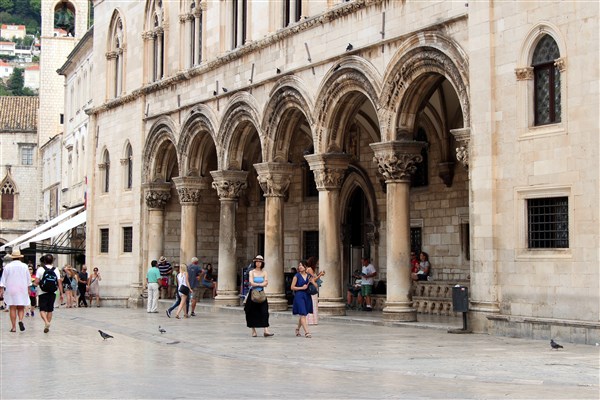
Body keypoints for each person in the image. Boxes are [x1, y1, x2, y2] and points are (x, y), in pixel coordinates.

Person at [0, 249, 31, 332]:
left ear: (12, 257)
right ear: (20, 257)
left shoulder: (7, 266)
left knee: (12, 307)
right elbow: (28, 279)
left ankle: (13, 327)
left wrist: (1, 289)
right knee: (21, 307)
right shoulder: (24, 266)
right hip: (22, 288)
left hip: (11, 288)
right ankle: (20, 320)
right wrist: (28, 288)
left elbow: (3, 279)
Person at [244, 255, 274, 337]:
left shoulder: (264, 272)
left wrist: (258, 284)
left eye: (260, 262)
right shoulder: (252, 272)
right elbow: (251, 282)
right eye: (257, 262)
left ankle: (266, 330)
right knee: (251, 312)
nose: (258, 263)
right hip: (253, 294)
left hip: (261, 293)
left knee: (264, 312)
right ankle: (253, 330)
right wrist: (261, 284)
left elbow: (266, 283)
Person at [35, 254, 63, 333]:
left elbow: (36, 281)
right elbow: (59, 282)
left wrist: (34, 285)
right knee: (50, 310)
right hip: (52, 292)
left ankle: (46, 322)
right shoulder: (56, 270)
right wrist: (61, 293)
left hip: (42, 292)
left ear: (44, 261)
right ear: (52, 261)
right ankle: (47, 325)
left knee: (42, 309)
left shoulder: (40, 269)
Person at [290, 260, 314, 338]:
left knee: (304, 314)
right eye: (299, 265)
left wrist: (313, 282)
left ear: (305, 267)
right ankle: (307, 332)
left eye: (302, 265)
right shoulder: (296, 276)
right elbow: (292, 287)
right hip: (299, 296)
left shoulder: (309, 276)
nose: (300, 267)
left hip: (307, 296)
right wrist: (301, 288)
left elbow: (315, 283)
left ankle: (297, 329)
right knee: (303, 314)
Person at [306, 256, 325, 326]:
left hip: (312, 288)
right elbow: (313, 279)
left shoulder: (310, 269)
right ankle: (311, 320)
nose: (317, 263)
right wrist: (320, 275)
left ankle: (312, 320)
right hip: (312, 289)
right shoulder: (310, 269)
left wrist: (319, 274)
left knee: (313, 304)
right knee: (313, 304)